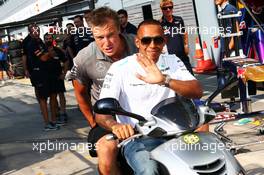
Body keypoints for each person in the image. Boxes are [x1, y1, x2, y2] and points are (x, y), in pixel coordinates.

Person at [96, 19, 203, 175]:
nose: (152, 45)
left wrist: (165, 80)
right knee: (149, 170)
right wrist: (116, 126)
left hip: (177, 132)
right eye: (146, 40)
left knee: (208, 161)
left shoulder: (173, 61)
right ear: (137, 42)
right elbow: (101, 114)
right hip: (140, 137)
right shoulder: (120, 68)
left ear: (164, 41)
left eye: (158, 40)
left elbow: (197, 90)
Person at [69, 7, 137, 174]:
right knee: (106, 154)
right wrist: (93, 122)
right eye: (100, 37)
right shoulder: (84, 58)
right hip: (107, 117)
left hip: (141, 109)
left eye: (111, 35)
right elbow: (80, 93)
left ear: (120, 28)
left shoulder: (139, 44)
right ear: (93, 34)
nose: (106, 43)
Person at [22, 24, 61, 131]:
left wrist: (50, 53)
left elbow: (49, 55)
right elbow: (43, 58)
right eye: (34, 31)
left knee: (53, 95)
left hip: (48, 73)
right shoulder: (31, 44)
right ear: (30, 32)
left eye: (38, 30)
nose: (36, 32)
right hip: (38, 74)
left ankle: (53, 121)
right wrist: (50, 53)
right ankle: (47, 123)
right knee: (43, 98)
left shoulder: (40, 42)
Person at [159, 0, 193, 74]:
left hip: (182, 54)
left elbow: (184, 33)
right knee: (177, 77)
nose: (168, 10)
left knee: (190, 75)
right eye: (165, 8)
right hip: (170, 56)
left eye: (170, 7)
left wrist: (186, 45)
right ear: (161, 9)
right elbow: (159, 39)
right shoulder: (160, 23)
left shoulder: (179, 19)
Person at [44, 33, 69, 123]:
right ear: (44, 40)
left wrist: (64, 73)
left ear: (52, 39)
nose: (48, 40)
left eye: (50, 38)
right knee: (52, 97)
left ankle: (63, 112)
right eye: (46, 39)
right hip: (47, 77)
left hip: (58, 76)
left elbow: (66, 61)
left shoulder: (58, 50)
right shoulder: (42, 51)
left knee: (61, 94)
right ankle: (56, 113)